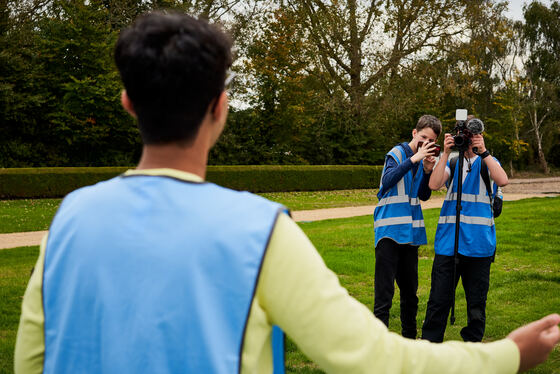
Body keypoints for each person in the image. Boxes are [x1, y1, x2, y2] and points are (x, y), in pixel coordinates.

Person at [14, 11, 560, 374]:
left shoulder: (69, 219)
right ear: (221, 107)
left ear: (128, 103)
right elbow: (370, 355)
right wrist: (506, 355)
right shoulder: (262, 229)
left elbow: (32, 360)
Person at [421, 122, 508, 343]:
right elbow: (433, 184)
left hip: (479, 247)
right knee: (438, 301)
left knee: (476, 304)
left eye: (471, 136)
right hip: (449, 244)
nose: (467, 141)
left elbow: (503, 180)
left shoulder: (488, 162)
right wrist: (447, 152)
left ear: (479, 136)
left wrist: (484, 152)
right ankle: (430, 347)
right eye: (464, 136)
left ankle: (473, 348)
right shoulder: (452, 161)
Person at [373, 115, 440, 339]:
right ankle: (378, 343)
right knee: (384, 294)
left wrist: (428, 170)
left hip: (410, 234)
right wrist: (414, 159)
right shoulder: (397, 153)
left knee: (410, 294)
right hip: (389, 233)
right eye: (422, 138)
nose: (424, 144)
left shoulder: (423, 160)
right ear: (414, 133)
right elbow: (387, 181)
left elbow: (423, 195)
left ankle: (409, 340)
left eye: (429, 141)